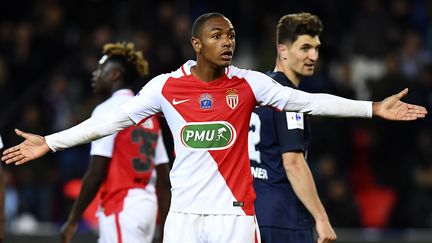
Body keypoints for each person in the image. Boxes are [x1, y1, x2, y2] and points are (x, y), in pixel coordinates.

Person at [1, 13, 427, 243]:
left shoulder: (248, 83)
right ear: (197, 44)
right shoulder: (165, 87)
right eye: (217, 34)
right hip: (183, 221)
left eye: (232, 34)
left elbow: (309, 101)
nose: (228, 41)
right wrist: (51, 142)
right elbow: (107, 123)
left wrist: (371, 108)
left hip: (235, 218)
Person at [59, 42, 171, 243]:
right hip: (147, 206)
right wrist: (165, 230)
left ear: (114, 75)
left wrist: (72, 220)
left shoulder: (108, 110)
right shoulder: (150, 116)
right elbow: (164, 182)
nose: (94, 74)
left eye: (100, 69)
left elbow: (96, 173)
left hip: (121, 205)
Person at [249, 13, 335, 243]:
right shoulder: (288, 99)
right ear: (283, 50)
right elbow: (293, 162)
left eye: (316, 48)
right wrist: (322, 218)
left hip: (251, 215)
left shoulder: (257, 91)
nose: (313, 56)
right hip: (283, 219)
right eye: (305, 48)